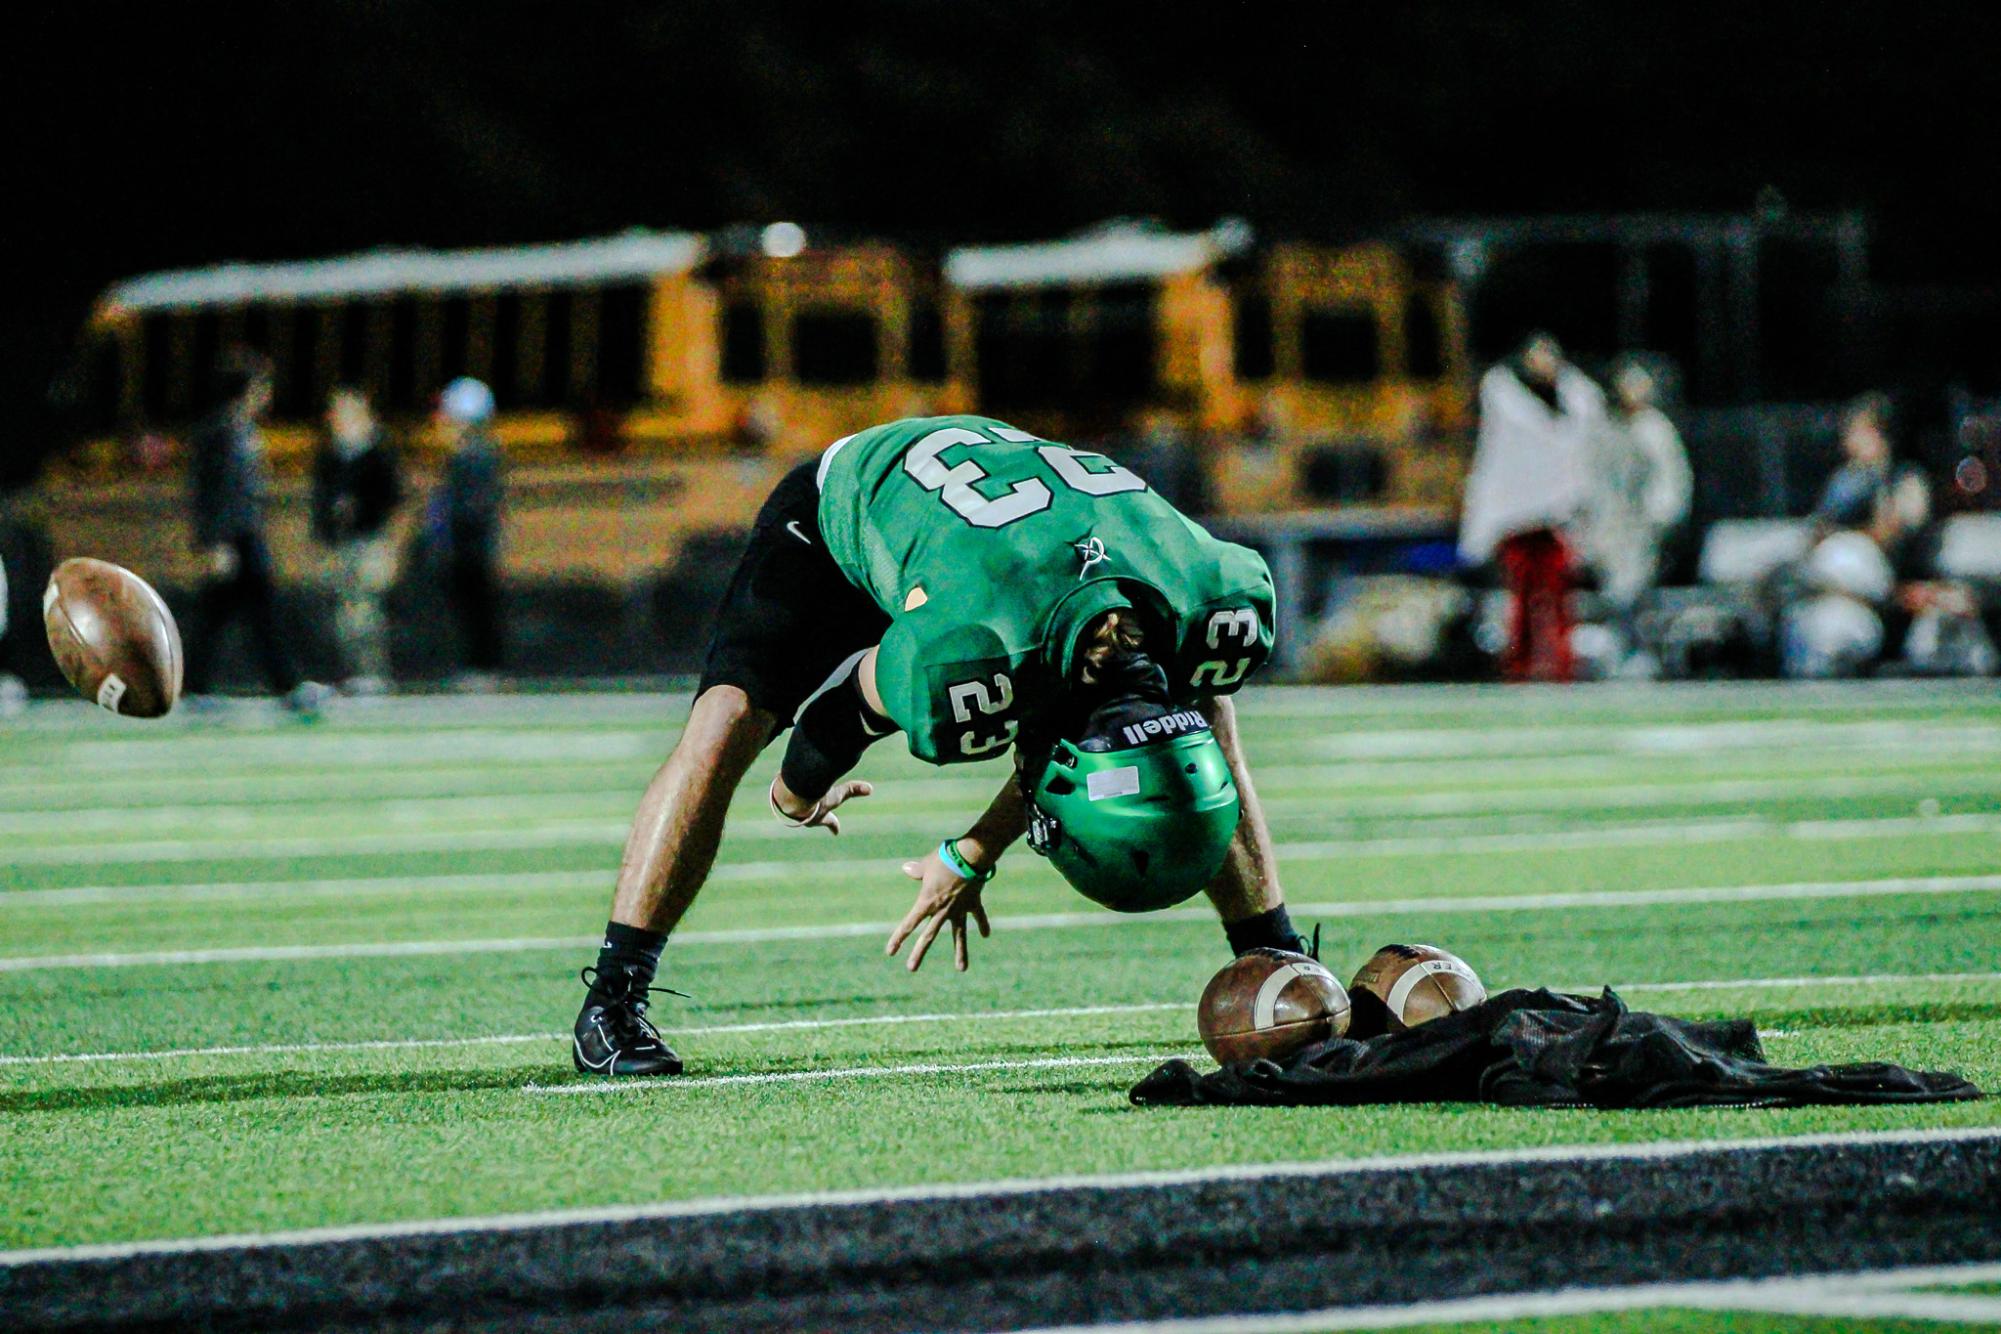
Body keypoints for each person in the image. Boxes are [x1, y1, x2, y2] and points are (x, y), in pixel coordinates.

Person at [572, 414, 1293, 1077]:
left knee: (1205, 703)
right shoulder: (964, 654)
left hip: (1002, 534)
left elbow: (1108, 726)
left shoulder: (1213, 603)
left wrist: (970, 850)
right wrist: (794, 795)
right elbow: (834, 719)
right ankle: (611, 1001)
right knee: (724, 721)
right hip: (847, 506)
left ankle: (1279, 960)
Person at [182, 350, 324, 716]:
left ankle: (201, 685)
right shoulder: (217, 432)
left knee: (242, 614)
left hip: (246, 534)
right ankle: (284, 685)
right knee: (246, 614)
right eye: (262, 386)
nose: (267, 394)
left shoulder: (243, 430)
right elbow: (207, 492)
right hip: (233, 539)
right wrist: (215, 543)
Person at [1458, 333, 1603, 683]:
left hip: (1556, 522)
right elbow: (1507, 452)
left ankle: (1563, 665)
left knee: (1559, 598)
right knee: (1521, 599)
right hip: (1518, 521)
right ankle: (1519, 665)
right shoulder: (1508, 398)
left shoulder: (1573, 399)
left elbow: (1581, 438)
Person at [1576, 359, 1693, 670]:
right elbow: (1594, 477)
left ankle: (1639, 654)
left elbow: (1670, 479)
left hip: (1642, 526)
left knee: (1635, 592)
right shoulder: (1606, 427)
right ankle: (1616, 654)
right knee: (1612, 592)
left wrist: (1661, 519)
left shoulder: (1655, 429)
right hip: (1611, 523)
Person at [311, 386, 404, 694]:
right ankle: (348, 671)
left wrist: (363, 511)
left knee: (366, 608)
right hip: (339, 542)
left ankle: (372, 671)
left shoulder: (378, 451)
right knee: (342, 611)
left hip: (370, 539)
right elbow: (320, 499)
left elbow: (393, 498)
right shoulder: (329, 454)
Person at [431, 377, 505, 689]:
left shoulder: (475, 456)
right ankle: (477, 664)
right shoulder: (469, 454)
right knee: (470, 608)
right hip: (467, 545)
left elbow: (473, 506)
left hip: (471, 547)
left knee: (477, 608)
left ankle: (483, 666)